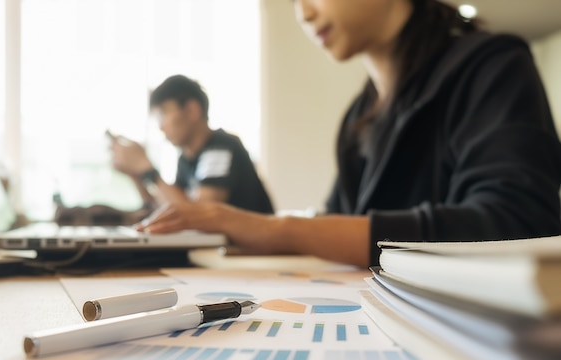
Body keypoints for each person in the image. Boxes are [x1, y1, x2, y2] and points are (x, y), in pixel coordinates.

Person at [140, 0, 561, 267]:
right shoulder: (359, 117)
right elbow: (337, 224)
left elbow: (516, 225)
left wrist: (280, 228)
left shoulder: (493, 65)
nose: (304, 13)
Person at [55, 75, 274, 225]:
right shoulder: (186, 159)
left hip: (253, 255)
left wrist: (146, 167)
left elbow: (200, 216)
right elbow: (169, 209)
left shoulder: (222, 146)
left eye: (163, 114)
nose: (161, 126)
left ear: (191, 110)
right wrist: (136, 175)